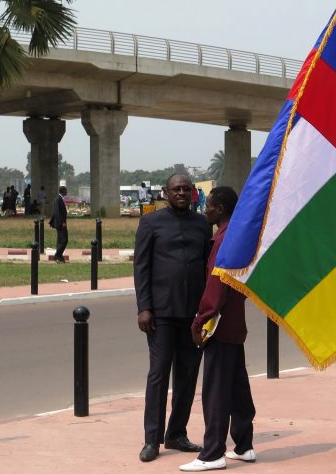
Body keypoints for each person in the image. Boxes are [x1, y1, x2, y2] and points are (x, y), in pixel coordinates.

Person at [133, 174, 212, 463]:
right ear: (166, 192)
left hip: (192, 314)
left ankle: (176, 433)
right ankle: (151, 439)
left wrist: (206, 310)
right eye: (176, 189)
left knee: (188, 375)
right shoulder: (151, 223)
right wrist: (144, 307)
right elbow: (141, 267)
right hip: (161, 314)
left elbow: (207, 266)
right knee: (158, 374)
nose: (181, 193)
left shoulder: (202, 224)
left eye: (186, 189)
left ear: (192, 193)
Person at [179, 187, 257, 472]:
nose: (205, 210)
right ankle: (244, 444)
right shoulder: (238, 237)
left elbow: (216, 285)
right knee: (237, 387)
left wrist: (201, 319)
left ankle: (212, 453)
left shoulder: (222, 241)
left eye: (209, 206)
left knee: (215, 391)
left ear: (221, 209)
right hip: (236, 322)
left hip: (220, 325)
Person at [48, 186, 68, 263]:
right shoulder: (58, 199)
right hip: (60, 224)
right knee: (64, 240)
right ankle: (57, 255)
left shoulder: (59, 199)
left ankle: (60, 256)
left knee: (60, 240)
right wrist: (62, 222)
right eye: (66, 190)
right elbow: (57, 213)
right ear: (63, 191)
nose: (67, 192)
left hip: (60, 223)